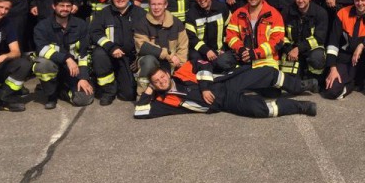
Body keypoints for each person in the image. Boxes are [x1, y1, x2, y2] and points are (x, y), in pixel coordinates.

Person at [134, 60, 317, 119]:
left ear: (167, 73)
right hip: (222, 102)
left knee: (267, 73)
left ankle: (301, 86)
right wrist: (149, 89)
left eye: (162, 77)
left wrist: (205, 88)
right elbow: (139, 112)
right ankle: (301, 106)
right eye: (156, 82)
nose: (161, 81)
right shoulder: (165, 101)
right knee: (261, 110)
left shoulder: (182, 72)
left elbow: (203, 65)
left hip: (224, 85)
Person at [32, 0, 94, 109]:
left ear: (72, 7)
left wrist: (83, 78)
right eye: (61, 5)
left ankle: (62, 90)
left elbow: (83, 53)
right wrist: (66, 58)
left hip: (73, 70)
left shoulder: (80, 25)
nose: (65, 9)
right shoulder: (42, 26)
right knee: (42, 65)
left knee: (84, 99)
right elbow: (41, 49)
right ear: (54, 6)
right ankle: (51, 95)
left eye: (68, 6)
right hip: (54, 66)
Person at [89, 0, 147, 105]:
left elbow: (147, 37)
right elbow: (95, 33)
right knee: (99, 54)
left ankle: (118, 81)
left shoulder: (140, 14)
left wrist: (138, 58)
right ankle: (108, 91)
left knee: (128, 95)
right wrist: (111, 47)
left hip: (129, 58)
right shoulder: (103, 13)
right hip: (108, 54)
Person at [133, 0, 189, 94]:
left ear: (165, 5)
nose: (156, 7)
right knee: (149, 61)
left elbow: (183, 46)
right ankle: (142, 95)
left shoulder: (176, 23)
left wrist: (180, 63)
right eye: (153, 4)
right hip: (151, 61)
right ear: (149, 5)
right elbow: (143, 46)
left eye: (159, 4)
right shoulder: (142, 23)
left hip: (171, 63)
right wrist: (169, 56)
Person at [226, 0, 285, 69]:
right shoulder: (238, 13)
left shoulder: (274, 14)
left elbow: (277, 41)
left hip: (266, 59)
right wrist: (241, 49)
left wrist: (255, 53)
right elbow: (231, 36)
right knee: (222, 61)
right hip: (243, 57)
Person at [281, 0, 328, 82]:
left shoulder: (320, 13)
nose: (300, 0)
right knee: (291, 83)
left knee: (317, 58)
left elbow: (319, 38)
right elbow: (281, 35)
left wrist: (299, 48)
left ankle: (315, 78)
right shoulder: (287, 12)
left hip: (312, 49)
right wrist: (289, 49)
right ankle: (299, 74)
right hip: (292, 50)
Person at [185, 0, 234, 71]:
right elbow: (192, 38)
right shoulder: (191, 14)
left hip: (219, 50)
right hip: (200, 51)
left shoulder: (222, 8)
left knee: (222, 63)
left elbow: (230, 30)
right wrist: (206, 50)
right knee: (194, 60)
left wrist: (224, 48)